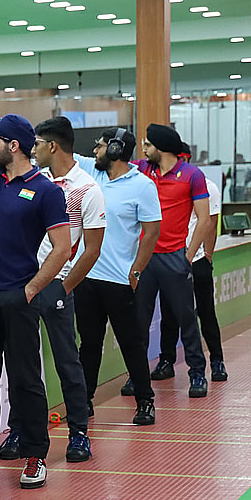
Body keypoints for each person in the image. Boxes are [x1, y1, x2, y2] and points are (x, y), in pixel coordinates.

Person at [0, 114, 71, 490]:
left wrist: (32, 289)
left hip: (19, 298)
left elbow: (63, 247)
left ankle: (36, 454)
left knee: (25, 380)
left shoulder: (47, 191)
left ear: (13, 146)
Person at [7, 115, 106, 463]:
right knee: (22, 362)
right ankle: (18, 428)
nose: (32, 151)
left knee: (67, 361)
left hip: (57, 287)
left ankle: (79, 433)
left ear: (52, 146)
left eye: (36, 145)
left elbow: (91, 249)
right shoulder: (32, 182)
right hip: (24, 284)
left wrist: (62, 287)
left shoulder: (87, 189)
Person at [72, 128, 162, 427]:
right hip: (87, 278)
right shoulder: (91, 174)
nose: (94, 152)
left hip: (121, 281)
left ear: (114, 149)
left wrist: (136, 269)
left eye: (99, 147)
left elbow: (151, 233)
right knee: (89, 344)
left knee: (131, 343)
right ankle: (84, 400)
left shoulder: (142, 186)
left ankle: (145, 401)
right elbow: (60, 152)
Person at [133, 123, 212, 398]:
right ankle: (137, 376)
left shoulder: (192, 175)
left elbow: (204, 219)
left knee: (186, 318)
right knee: (138, 321)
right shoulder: (141, 170)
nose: (143, 150)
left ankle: (197, 374)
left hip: (174, 257)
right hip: (144, 259)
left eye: (147, 144)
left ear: (161, 148)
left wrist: (188, 256)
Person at [156, 175, 227, 382]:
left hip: (196, 259)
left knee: (206, 312)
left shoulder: (208, 186)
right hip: (171, 259)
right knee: (168, 312)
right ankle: (166, 360)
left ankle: (216, 360)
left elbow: (211, 225)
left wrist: (207, 256)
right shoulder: (164, 185)